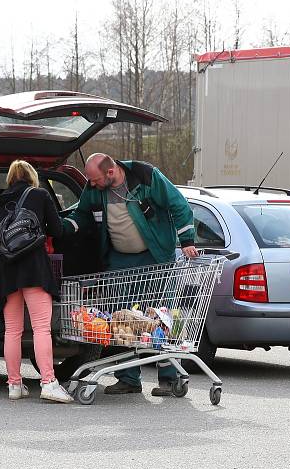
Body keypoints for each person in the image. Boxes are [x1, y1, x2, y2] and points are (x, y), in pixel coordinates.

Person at [63, 153, 197, 396]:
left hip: (154, 256)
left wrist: (187, 239)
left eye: (94, 180)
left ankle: (169, 378)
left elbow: (178, 205)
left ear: (110, 172)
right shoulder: (94, 189)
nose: (90, 185)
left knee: (160, 318)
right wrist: (62, 227)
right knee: (121, 319)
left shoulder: (145, 176)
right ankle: (128, 379)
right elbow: (81, 215)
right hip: (119, 261)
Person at [0, 160, 73, 403]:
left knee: (12, 330)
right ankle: (48, 382)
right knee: (41, 328)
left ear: (10, 178)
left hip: (7, 270)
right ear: (31, 177)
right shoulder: (40, 195)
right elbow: (57, 229)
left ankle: (14, 385)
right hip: (34, 268)